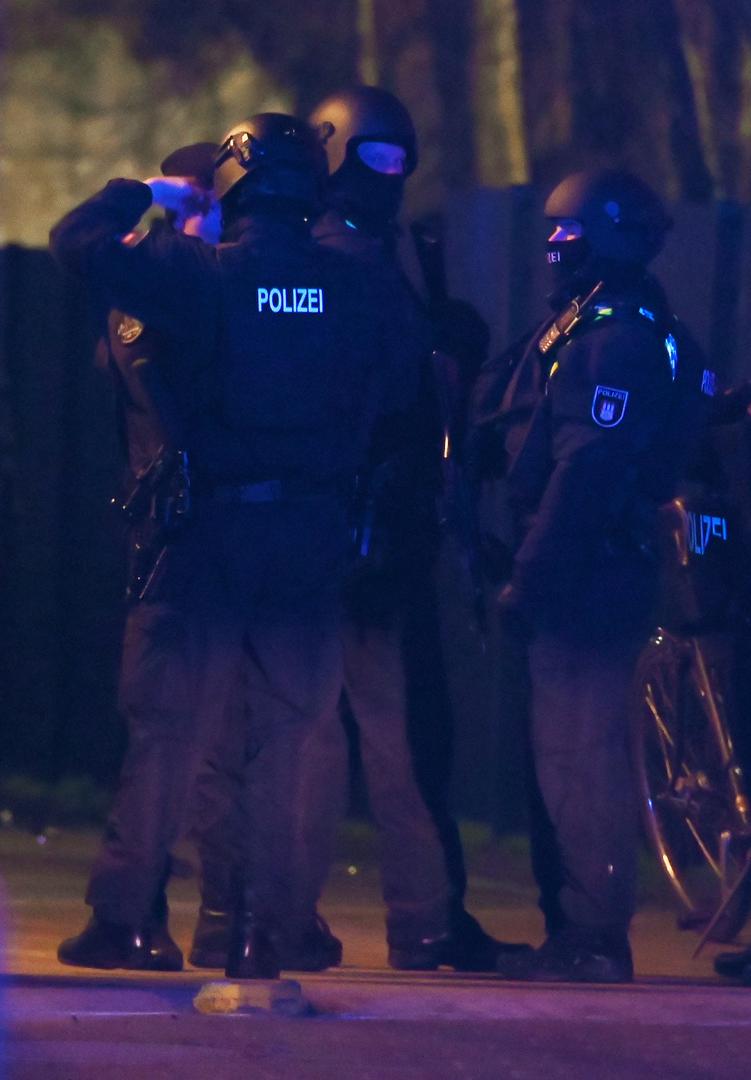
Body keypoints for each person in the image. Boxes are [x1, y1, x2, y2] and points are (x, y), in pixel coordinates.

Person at [52, 111, 423, 980]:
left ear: (232, 179)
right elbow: (404, 381)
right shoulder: (360, 283)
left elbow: (78, 241)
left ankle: (126, 922)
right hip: (312, 540)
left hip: (207, 540)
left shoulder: (200, 274)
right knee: (288, 746)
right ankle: (262, 932)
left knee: (168, 736)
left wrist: (145, 194)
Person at [189, 85, 521, 972]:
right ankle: (411, 918)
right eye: (375, 156)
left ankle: (290, 915)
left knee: (313, 736)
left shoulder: (359, 257)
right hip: (353, 530)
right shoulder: (343, 263)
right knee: (377, 735)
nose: (393, 175)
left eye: (400, 160)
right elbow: (377, 394)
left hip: (333, 528)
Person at [469, 169, 713, 982]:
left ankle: (593, 938)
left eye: (568, 234)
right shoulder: (613, 326)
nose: (552, 247)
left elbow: (587, 471)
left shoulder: (617, 338)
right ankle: (581, 930)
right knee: (572, 757)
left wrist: (529, 579)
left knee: (580, 762)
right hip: (590, 571)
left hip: (586, 581)